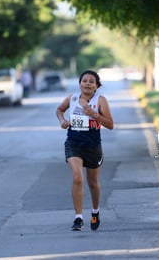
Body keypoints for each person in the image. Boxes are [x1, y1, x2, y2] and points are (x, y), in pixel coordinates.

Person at [56, 70, 114, 231]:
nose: (87, 83)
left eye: (91, 81)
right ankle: (78, 218)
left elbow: (110, 124)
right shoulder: (72, 98)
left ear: (96, 86)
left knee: (93, 182)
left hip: (93, 145)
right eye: (84, 81)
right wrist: (62, 121)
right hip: (73, 142)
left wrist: (93, 114)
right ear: (80, 83)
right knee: (77, 178)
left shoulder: (100, 100)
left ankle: (95, 212)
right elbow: (59, 110)